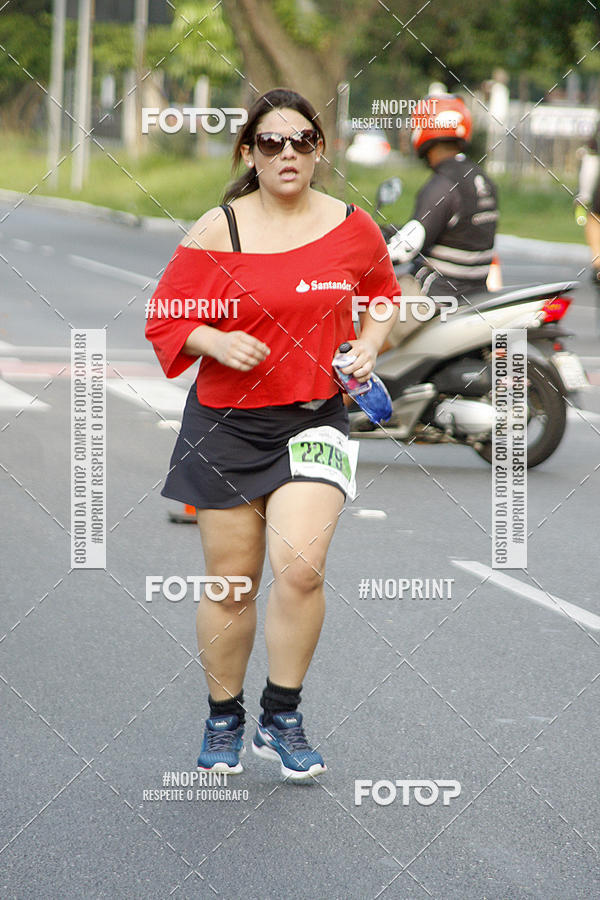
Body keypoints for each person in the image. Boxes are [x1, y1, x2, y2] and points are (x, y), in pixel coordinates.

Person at [145, 88, 400, 782]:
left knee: (301, 569)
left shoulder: (352, 226)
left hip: (314, 415)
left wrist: (371, 344)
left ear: (319, 150)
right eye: (270, 143)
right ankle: (223, 718)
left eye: (300, 142)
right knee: (231, 585)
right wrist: (215, 342)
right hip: (226, 424)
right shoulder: (217, 229)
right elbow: (166, 318)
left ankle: (281, 715)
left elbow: (381, 294)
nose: (286, 153)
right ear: (249, 154)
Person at [384, 94, 499, 347]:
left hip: (435, 294)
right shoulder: (482, 179)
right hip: (475, 291)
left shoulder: (442, 184)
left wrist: (372, 252)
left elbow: (406, 247)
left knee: (362, 330)